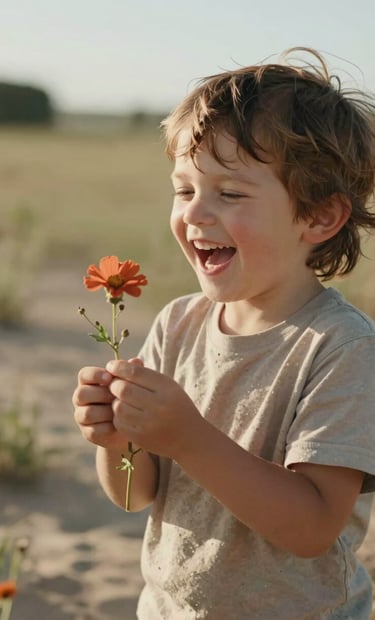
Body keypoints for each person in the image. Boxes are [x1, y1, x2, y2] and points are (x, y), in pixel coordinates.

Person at [73, 47, 375, 619]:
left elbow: (311, 527)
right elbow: (136, 495)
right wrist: (116, 440)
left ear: (319, 217)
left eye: (230, 194)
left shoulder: (341, 348)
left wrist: (187, 436)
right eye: (184, 190)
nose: (195, 214)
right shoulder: (178, 323)